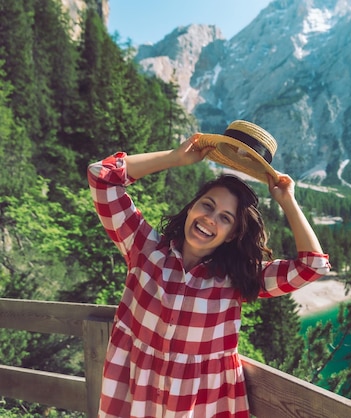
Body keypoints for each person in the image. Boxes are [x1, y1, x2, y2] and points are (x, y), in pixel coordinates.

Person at [87, 133, 331, 417]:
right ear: (192, 206)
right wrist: (174, 158)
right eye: (207, 205)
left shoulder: (237, 279)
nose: (210, 219)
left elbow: (312, 266)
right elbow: (102, 177)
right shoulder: (144, 248)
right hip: (134, 396)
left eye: (225, 218)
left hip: (198, 405)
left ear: (231, 236)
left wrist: (287, 201)